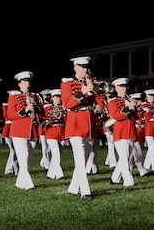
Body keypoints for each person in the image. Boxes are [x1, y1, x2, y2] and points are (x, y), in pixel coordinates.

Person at [62, 56, 107, 198]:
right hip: (75, 123)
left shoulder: (91, 83)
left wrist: (98, 100)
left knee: (85, 158)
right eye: (82, 67)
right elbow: (68, 103)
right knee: (80, 160)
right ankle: (86, 191)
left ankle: (73, 188)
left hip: (90, 124)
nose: (85, 70)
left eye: (87, 67)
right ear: (75, 67)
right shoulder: (67, 84)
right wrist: (84, 92)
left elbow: (101, 102)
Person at [6, 71, 42, 190]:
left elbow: (41, 113)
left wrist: (36, 108)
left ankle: (19, 182)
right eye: (25, 81)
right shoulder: (14, 96)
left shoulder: (35, 96)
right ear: (19, 83)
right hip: (19, 130)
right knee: (23, 156)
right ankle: (28, 184)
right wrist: (24, 111)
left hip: (33, 130)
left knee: (28, 157)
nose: (28, 83)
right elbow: (10, 114)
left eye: (29, 81)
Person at [41, 89, 67, 179]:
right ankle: (60, 174)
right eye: (56, 97)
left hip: (62, 132)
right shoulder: (47, 108)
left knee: (58, 153)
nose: (58, 99)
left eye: (59, 97)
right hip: (51, 132)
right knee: (56, 154)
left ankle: (51, 174)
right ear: (52, 98)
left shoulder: (64, 107)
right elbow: (43, 119)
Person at [140, 88, 154, 171]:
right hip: (148, 127)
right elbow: (147, 117)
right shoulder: (144, 105)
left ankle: (146, 165)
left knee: (152, 148)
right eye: (150, 96)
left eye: (153, 96)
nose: (152, 97)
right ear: (146, 97)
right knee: (152, 147)